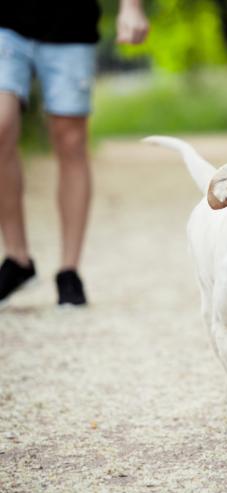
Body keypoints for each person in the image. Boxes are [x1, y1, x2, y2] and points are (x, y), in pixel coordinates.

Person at [0, 0, 149, 307]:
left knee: (70, 140)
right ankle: (17, 259)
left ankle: (69, 270)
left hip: (70, 25)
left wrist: (130, 7)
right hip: (6, 23)